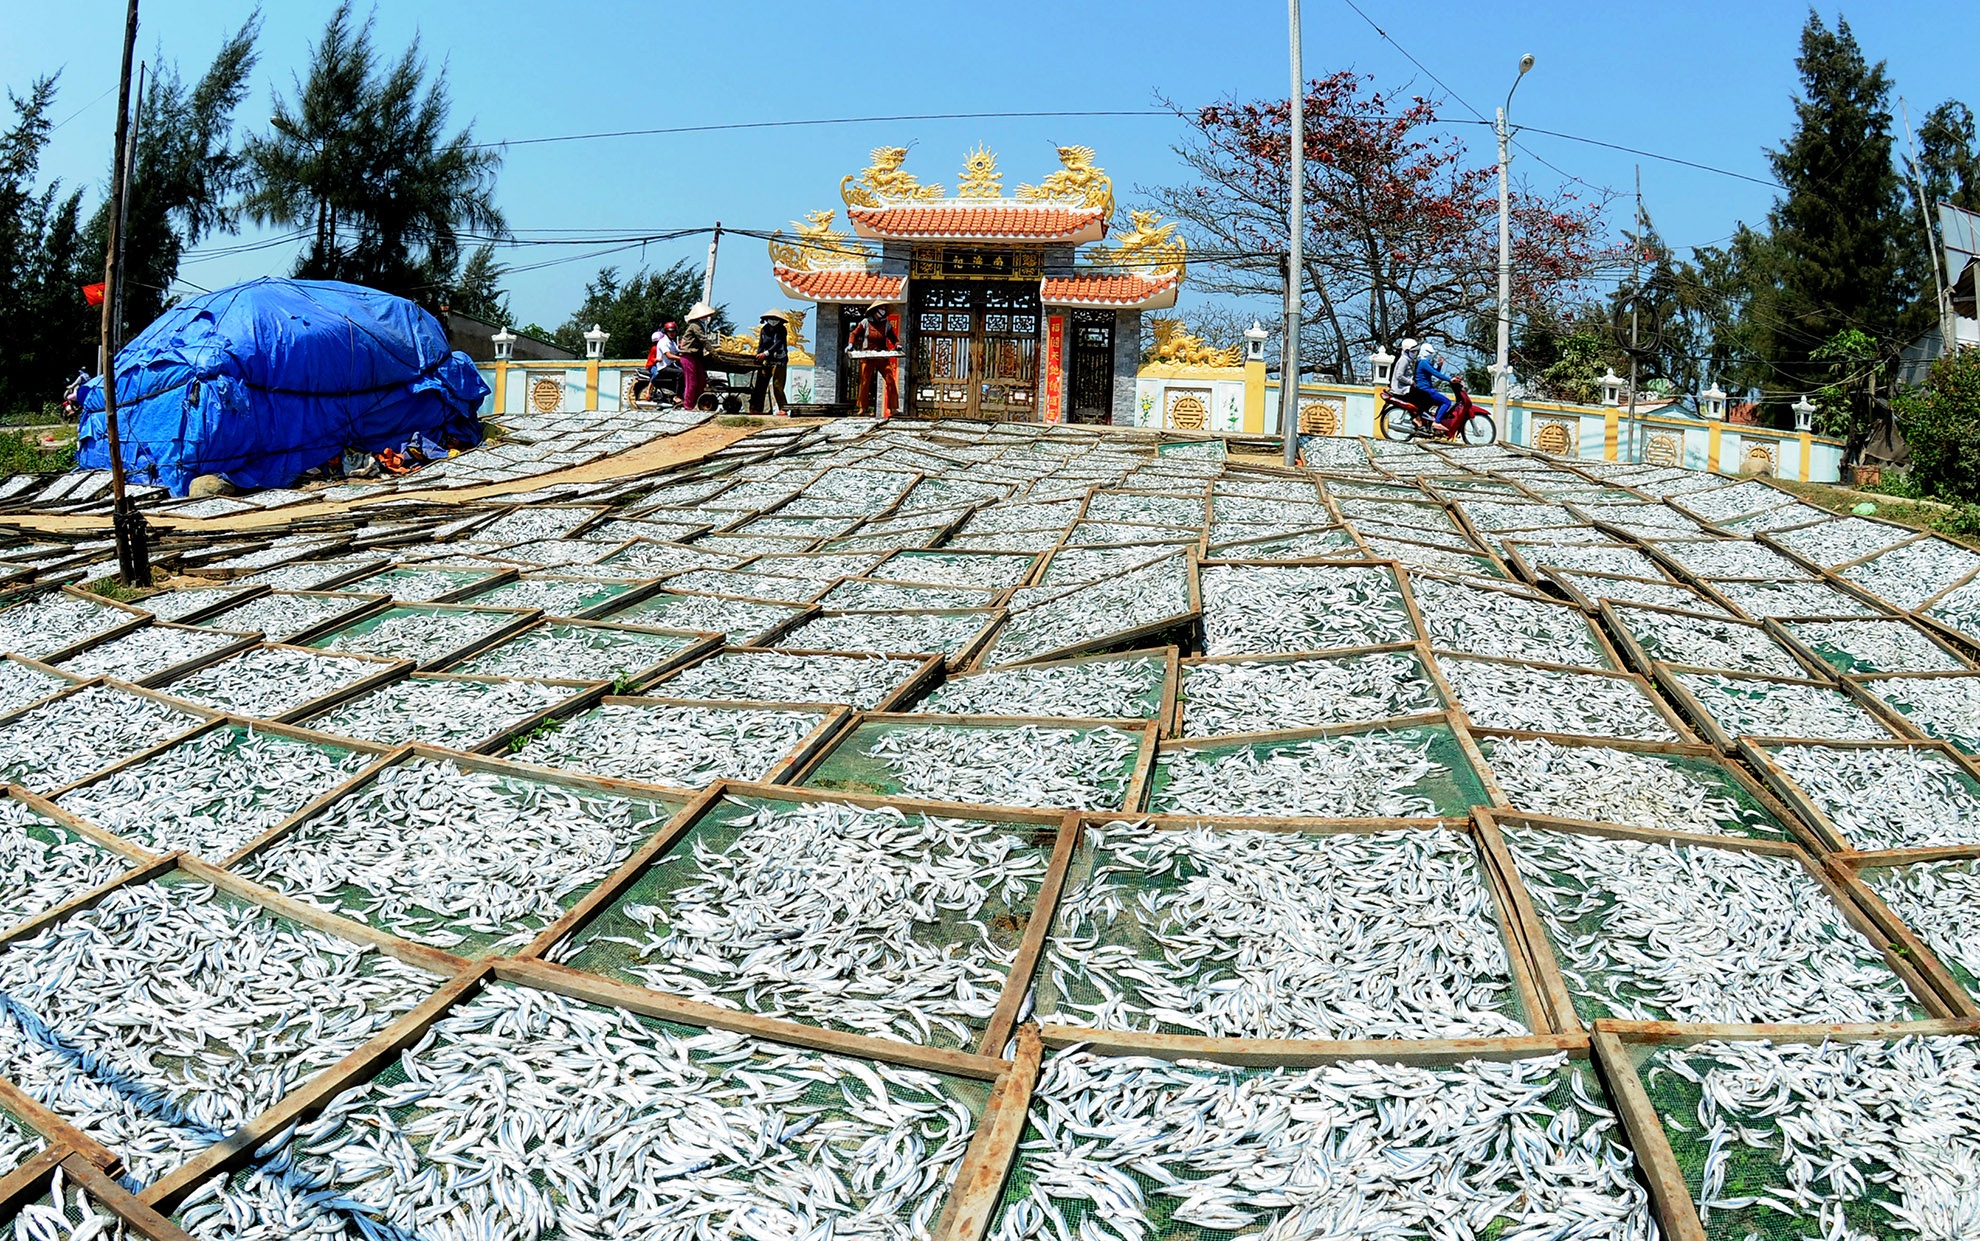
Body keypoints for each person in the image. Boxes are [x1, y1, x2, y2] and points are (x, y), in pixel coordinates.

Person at [846, 302, 899, 417]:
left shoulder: (887, 324)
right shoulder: (865, 323)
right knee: (865, 382)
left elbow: (894, 338)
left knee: (890, 379)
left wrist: (897, 345)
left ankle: (893, 409)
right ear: (875, 311)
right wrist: (851, 344)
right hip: (867, 356)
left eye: (884, 309)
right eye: (881, 309)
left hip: (881, 355)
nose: (883, 311)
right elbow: (854, 334)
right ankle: (862, 408)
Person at [676, 302, 718, 411]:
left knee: (702, 381)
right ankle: (688, 406)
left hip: (696, 356)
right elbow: (703, 340)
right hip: (688, 355)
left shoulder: (700, 325)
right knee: (692, 382)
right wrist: (714, 352)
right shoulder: (695, 325)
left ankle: (694, 402)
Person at [750, 310, 789, 415]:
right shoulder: (764, 329)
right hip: (766, 361)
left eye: (775, 319)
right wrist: (759, 354)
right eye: (771, 318)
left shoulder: (782, 330)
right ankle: (757, 408)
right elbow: (761, 344)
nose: (773, 321)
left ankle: (783, 408)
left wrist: (766, 353)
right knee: (761, 383)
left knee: (777, 385)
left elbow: (778, 343)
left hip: (779, 360)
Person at [1408, 341, 1455, 427]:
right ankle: (1437, 422)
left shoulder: (1423, 362)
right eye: (1429, 352)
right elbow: (1435, 373)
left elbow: (1434, 372)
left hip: (1426, 388)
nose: (1431, 355)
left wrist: (1439, 366)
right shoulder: (1424, 362)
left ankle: (1430, 421)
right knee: (1447, 402)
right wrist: (1450, 379)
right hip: (1426, 389)